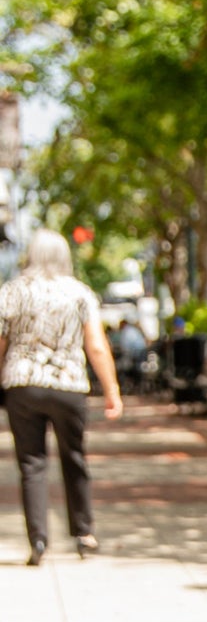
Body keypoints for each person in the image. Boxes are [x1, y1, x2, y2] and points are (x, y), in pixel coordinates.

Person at [0, 227, 123, 565]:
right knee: (74, 458)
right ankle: (84, 533)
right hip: (68, 385)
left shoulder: (11, 292)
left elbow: (1, 344)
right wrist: (111, 390)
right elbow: (96, 346)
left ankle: (38, 540)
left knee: (31, 464)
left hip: (22, 383)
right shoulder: (79, 293)